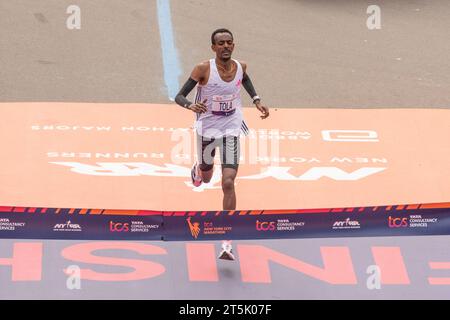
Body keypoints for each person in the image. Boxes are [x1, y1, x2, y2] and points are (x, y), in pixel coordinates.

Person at [175, 28, 269, 260]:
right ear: (213, 48)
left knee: (228, 181)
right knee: (206, 179)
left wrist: (256, 100)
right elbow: (179, 96)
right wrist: (190, 105)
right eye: (221, 43)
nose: (225, 46)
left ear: (233, 46)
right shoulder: (203, 69)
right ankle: (199, 169)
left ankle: (227, 241)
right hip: (207, 128)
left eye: (229, 43)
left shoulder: (241, 66)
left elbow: (244, 80)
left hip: (231, 127)